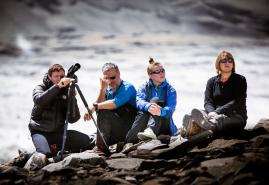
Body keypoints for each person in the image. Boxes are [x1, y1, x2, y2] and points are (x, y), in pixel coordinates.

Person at [29, 64, 94, 158]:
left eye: (62, 76)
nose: (59, 79)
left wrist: (71, 97)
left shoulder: (65, 91)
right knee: (45, 155)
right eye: (56, 76)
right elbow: (40, 101)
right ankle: (27, 156)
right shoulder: (40, 88)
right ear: (49, 76)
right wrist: (58, 86)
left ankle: (59, 149)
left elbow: (73, 119)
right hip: (40, 132)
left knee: (88, 143)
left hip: (59, 133)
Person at [182, 51, 247, 138]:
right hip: (214, 114)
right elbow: (208, 101)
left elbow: (236, 102)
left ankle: (200, 130)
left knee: (219, 119)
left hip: (236, 116)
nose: (227, 63)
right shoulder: (211, 81)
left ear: (233, 64)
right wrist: (211, 112)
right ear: (218, 64)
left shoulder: (240, 80)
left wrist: (217, 112)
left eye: (230, 60)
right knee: (191, 114)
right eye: (223, 61)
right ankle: (189, 130)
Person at [84, 63, 137, 155]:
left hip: (130, 130)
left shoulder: (128, 87)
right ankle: (101, 145)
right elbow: (99, 106)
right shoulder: (107, 89)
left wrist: (94, 107)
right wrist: (102, 89)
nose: (110, 81)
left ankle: (101, 149)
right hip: (115, 130)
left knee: (103, 110)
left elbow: (114, 103)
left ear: (119, 74)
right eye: (106, 79)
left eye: (112, 78)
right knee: (102, 110)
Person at [125, 58, 178, 144]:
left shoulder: (170, 90)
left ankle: (145, 133)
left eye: (162, 70)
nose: (162, 73)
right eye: (158, 71)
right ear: (150, 75)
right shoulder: (143, 87)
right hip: (145, 124)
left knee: (155, 101)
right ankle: (130, 141)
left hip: (164, 124)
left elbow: (171, 109)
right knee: (143, 111)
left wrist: (161, 111)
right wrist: (148, 106)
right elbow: (139, 102)